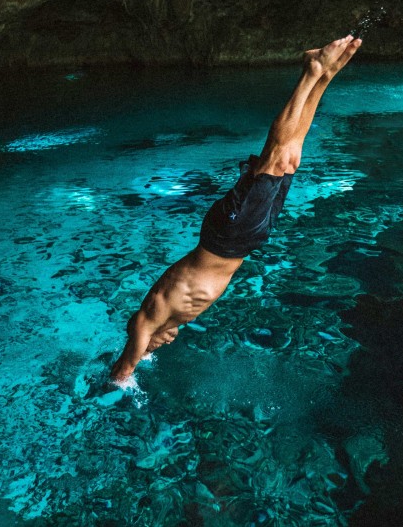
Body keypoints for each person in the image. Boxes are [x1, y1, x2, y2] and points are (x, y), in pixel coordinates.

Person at [110, 35, 363, 382]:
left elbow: (124, 368)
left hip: (227, 235)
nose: (164, 344)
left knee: (274, 157)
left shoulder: (146, 319)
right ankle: (325, 76)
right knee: (290, 159)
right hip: (241, 239)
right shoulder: (170, 321)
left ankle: (311, 71)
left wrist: (124, 376)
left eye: (154, 346)